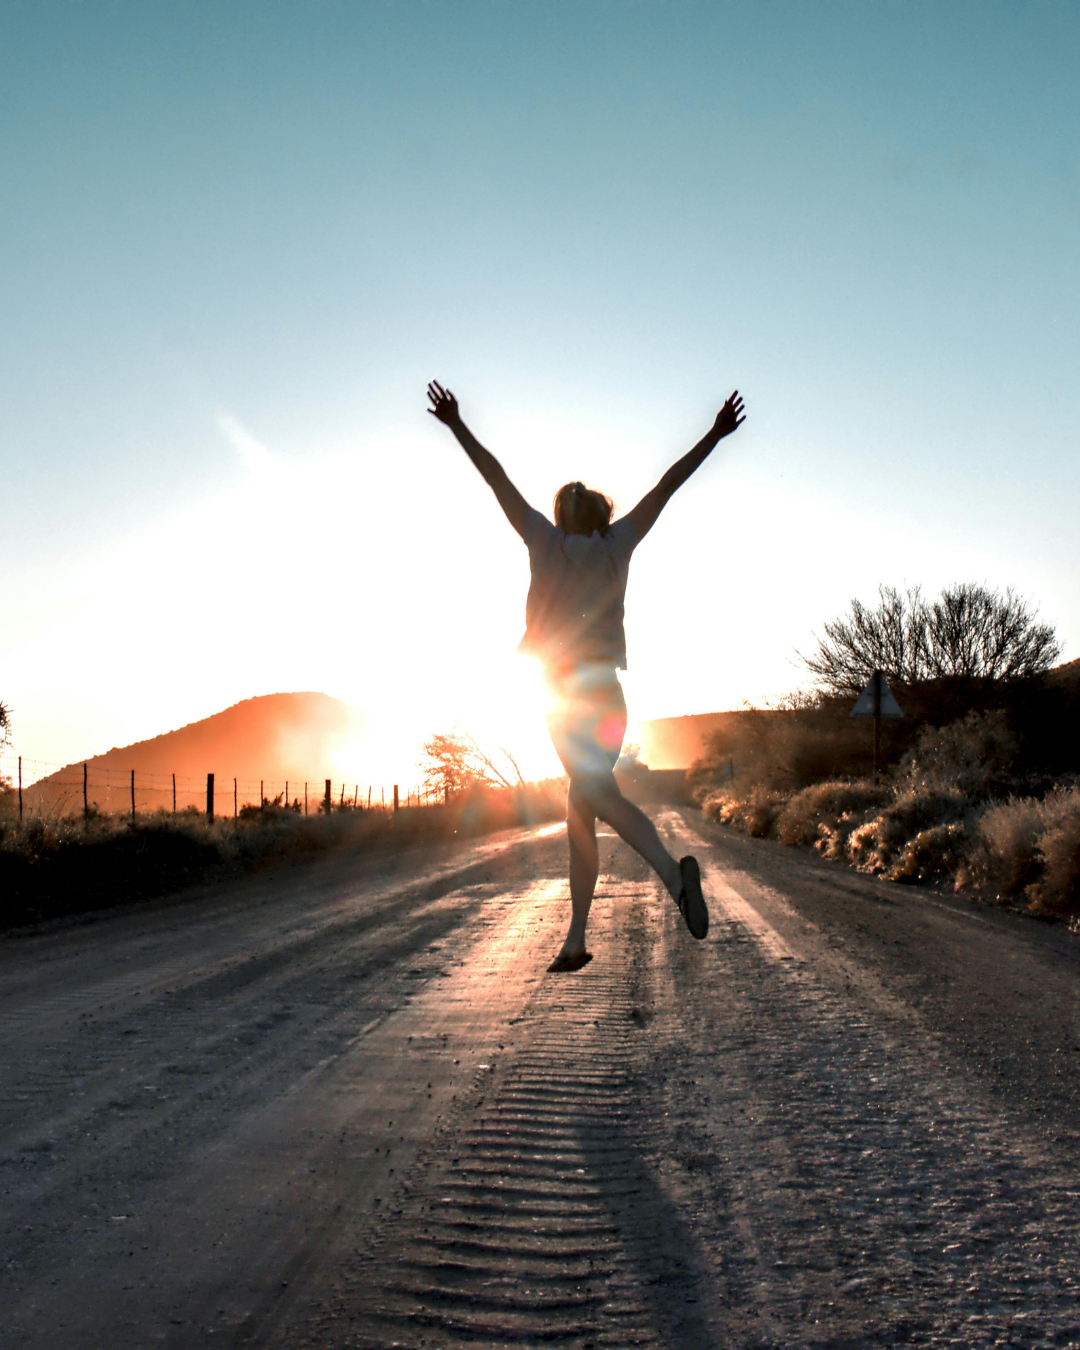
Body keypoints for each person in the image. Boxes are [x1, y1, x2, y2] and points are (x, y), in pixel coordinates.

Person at [427, 379, 746, 972]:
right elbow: (667, 486)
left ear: (560, 516)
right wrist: (714, 435)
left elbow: (496, 479)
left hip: (562, 695)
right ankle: (575, 939)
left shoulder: (542, 541)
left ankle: (673, 876)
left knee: (596, 795)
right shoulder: (617, 544)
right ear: (602, 514)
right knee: (582, 809)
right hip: (609, 693)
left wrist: (457, 426)